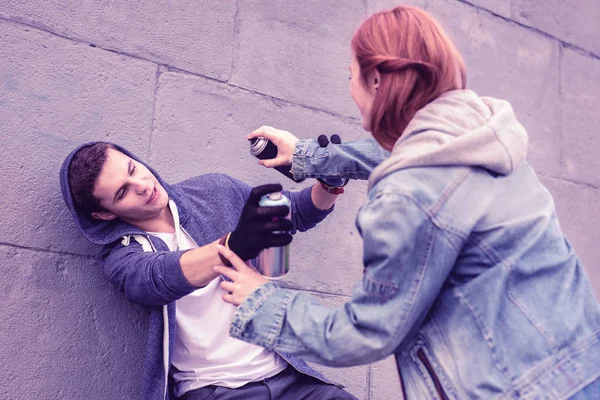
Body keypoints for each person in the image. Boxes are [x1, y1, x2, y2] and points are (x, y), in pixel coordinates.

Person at [213, 5, 600, 399]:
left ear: (377, 80)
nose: (351, 91)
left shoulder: (409, 194)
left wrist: (262, 301)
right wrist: (308, 156)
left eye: (352, 77)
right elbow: (409, 154)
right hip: (580, 371)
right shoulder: (483, 133)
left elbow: (367, 331)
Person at [59, 141, 358, 400]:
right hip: (216, 390)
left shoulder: (215, 190)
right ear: (105, 213)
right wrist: (234, 244)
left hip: (291, 375)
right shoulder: (121, 256)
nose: (142, 185)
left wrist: (330, 183)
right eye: (123, 191)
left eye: (133, 169)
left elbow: (296, 211)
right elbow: (158, 277)